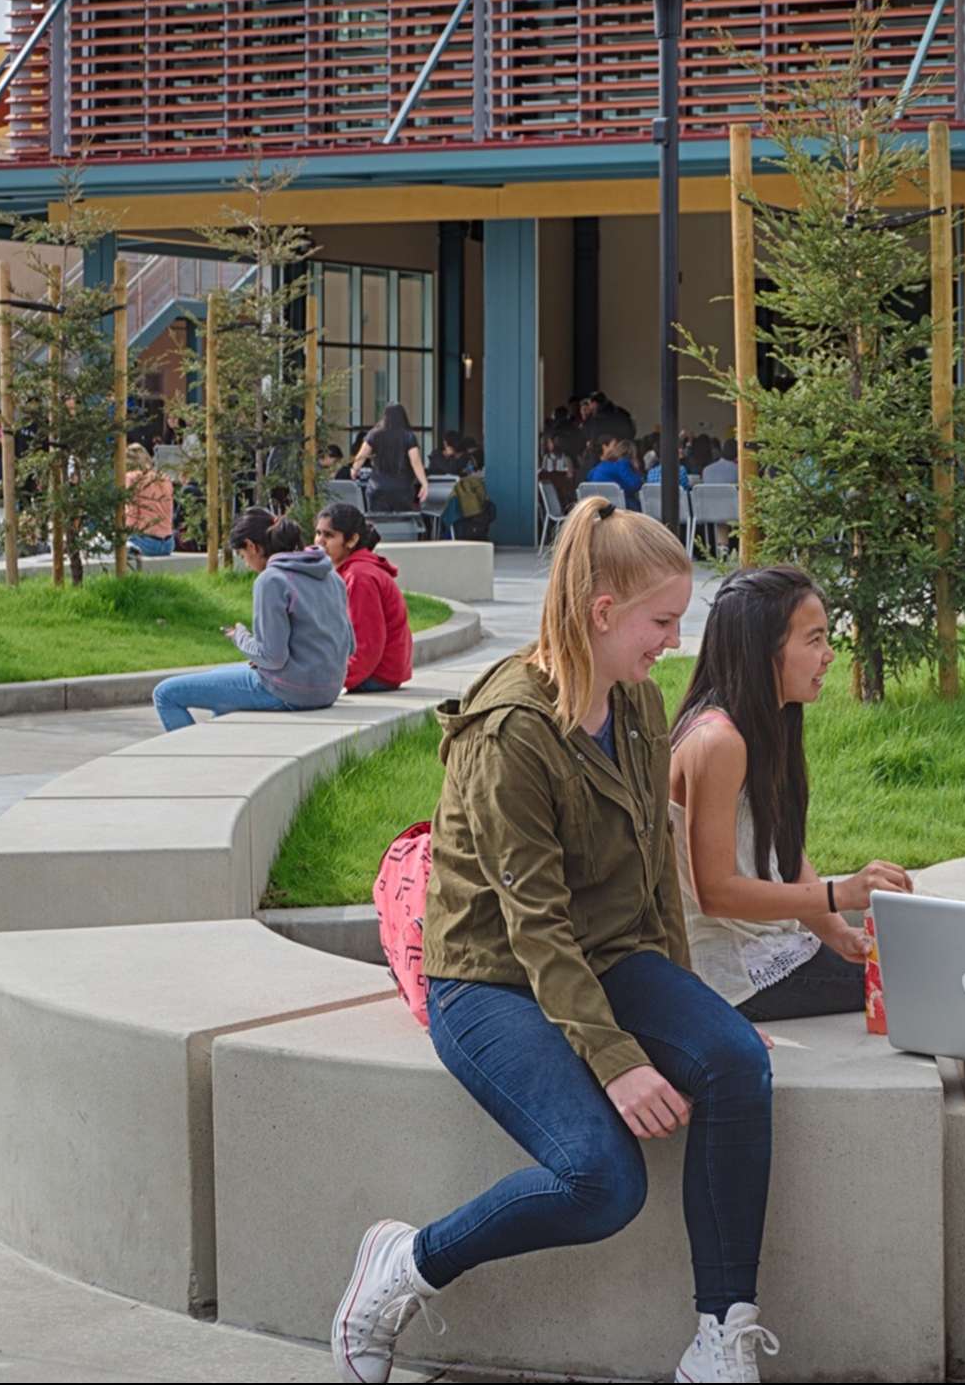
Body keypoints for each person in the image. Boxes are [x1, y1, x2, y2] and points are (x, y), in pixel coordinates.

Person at [334, 499, 780, 1383]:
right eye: (660, 621)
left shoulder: (643, 705)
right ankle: (405, 1264)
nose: (671, 640)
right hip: (491, 980)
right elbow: (534, 929)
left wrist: (692, 1015)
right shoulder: (511, 734)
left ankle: (720, 1339)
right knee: (601, 1181)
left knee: (736, 1060)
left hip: (609, 957)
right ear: (601, 612)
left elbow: (657, 879)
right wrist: (618, 1060)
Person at [670, 565, 912, 1022]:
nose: (830, 655)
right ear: (764, 649)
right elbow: (715, 893)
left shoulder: (765, 722)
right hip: (734, 973)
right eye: (815, 640)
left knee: (916, 956)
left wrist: (839, 934)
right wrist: (839, 893)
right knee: (922, 976)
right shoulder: (716, 741)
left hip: (768, 945)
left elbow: (784, 854)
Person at [150, 511, 354, 731]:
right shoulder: (331, 576)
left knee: (165, 693)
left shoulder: (272, 580)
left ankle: (192, 761)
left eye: (241, 554)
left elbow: (273, 657)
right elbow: (349, 645)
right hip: (329, 689)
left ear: (252, 546)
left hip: (290, 690)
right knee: (217, 682)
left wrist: (240, 636)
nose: (245, 563)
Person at [316, 502, 413, 693]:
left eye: (328, 535)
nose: (319, 541)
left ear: (352, 540)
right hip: (373, 672)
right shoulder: (350, 571)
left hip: (376, 675)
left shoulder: (359, 577)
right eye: (318, 533)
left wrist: (333, 682)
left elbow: (367, 646)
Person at [353, 402, 428, 514]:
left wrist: (354, 470)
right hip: (402, 489)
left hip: (378, 487)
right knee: (402, 522)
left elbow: (361, 456)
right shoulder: (408, 436)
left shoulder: (374, 434)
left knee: (378, 523)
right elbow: (415, 461)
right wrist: (424, 483)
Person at [124, 442, 177, 560]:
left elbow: (131, 514)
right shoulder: (164, 478)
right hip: (168, 544)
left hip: (145, 543)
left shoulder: (132, 477)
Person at [587, 437, 645, 512]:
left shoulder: (599, 467)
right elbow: (635, 486)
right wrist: (637, 471)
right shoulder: (622, 464)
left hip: (600, 509)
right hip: (621, 510)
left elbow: (589, 478)